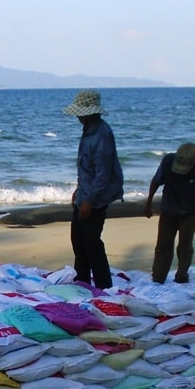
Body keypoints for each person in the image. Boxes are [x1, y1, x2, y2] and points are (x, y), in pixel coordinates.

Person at [63, 89, 124, 289]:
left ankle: (103, 285)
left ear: (90, 112)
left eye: (81, 112)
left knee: (91, 243)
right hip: (85, 194)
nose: (78, 116)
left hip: (96, 198)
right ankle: (81, 281)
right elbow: (86, 169)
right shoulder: (89, 131)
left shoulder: (102, 135)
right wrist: (79, 190)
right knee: (78, 241)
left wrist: (89, 200)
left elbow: (102, 173)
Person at [144, 142, 195, 284]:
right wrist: (148, 202)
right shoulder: (168, 162)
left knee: (185, 246)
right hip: (168, 210)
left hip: (190, 212)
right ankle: (158, 277)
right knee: (163, 246)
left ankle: (182, 275)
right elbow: (156, 181)